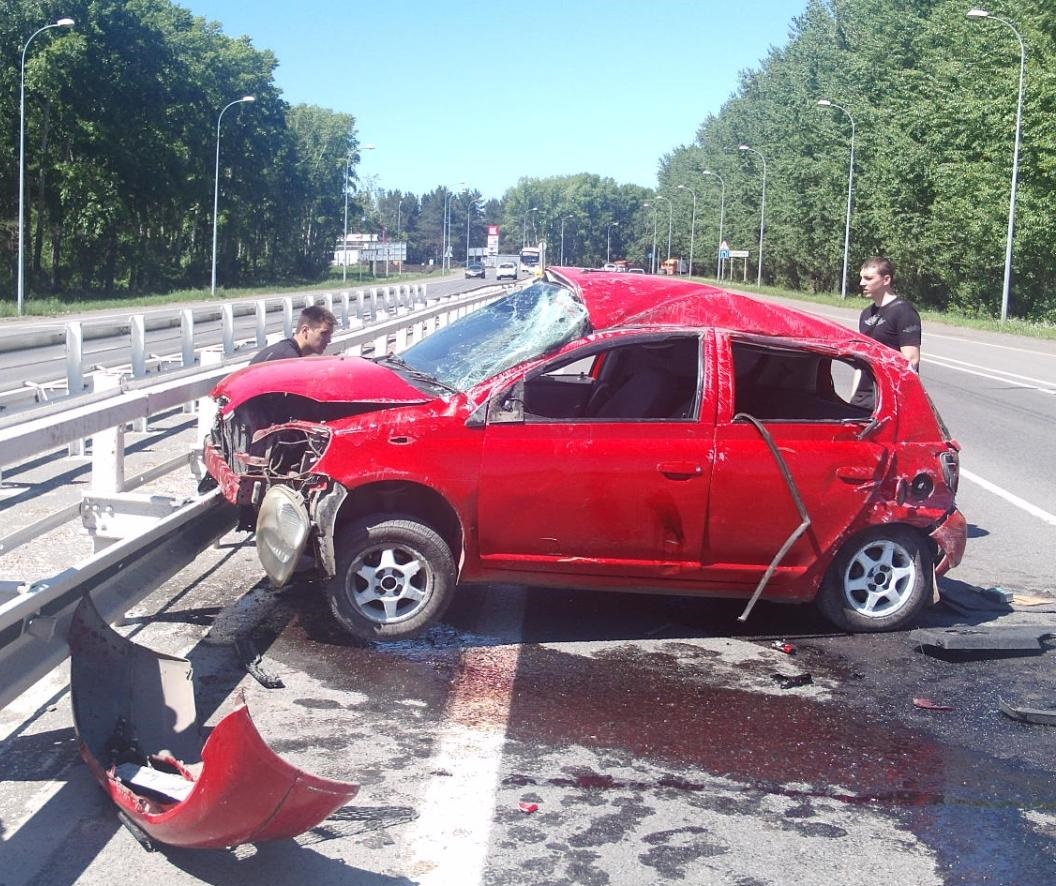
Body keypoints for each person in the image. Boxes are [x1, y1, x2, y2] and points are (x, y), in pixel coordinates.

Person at [857, 256, 921, 372]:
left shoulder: (904, 312)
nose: (862, 283)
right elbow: (861, 361)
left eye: (868, 278)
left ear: (886, 280)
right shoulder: (866, 314)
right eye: (861, 278)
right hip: (866, 388)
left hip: (889, 387)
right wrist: (856, 390)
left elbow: (911, 360)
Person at [250, 305, 336, 364]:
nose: (329, 340)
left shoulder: (287, 351)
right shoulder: (285, 359)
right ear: (305, 330)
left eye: (330, 335)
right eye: (324, 333)